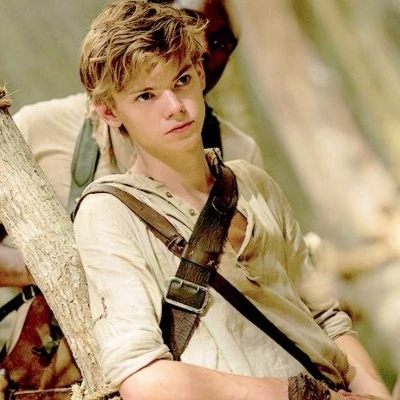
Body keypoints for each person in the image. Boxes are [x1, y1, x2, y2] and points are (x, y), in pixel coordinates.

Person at [73, 1, 390, 399]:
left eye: (182, 80)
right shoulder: (110, 212)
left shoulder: (254, 183)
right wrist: (299, 395)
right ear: (109, 111)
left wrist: (374, 395)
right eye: (146, 96)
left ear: (200, 72)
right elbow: (144, 378)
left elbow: (325, 316)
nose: (175, 107)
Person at [0, 0, 264, 354]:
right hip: (51, 364)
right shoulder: (39, 129)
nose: (203, 49)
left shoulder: (239, 155)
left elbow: (261, 285)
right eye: (191, 24)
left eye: (220, 42)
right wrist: (60, 269)